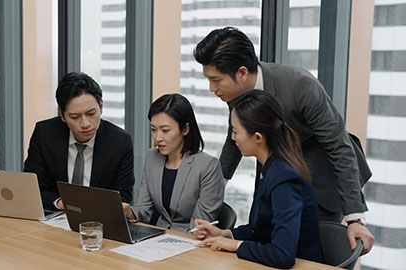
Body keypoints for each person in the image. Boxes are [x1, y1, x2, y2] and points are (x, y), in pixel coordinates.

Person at [193, 27, 374, 254]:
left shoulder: (300, 85)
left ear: (241, 73)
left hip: (324, 175)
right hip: (277, 171)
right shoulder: (234, 93)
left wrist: (355, 218)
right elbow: (233, 139)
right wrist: (216, 186)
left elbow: (338, 145)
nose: (212, 88)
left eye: (215, 80)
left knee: (307, 251)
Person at [195, 90, 323, 268]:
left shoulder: (285, 179)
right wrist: (225, 234)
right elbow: (260, 229)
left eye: (235, 131)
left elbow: (283, 255)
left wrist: (236, 245)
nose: (232, 138)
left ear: (257, 138)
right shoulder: (269, 167)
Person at [24, 72, 134, 210]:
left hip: (98, 221)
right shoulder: (45, 134)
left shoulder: (120, 142)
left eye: (91, 113)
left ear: (101, 106)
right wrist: (60, 203)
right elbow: (32, 188)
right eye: (75, 117)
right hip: (54, 218)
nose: (85, 123)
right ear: (61, 115)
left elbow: (123, 197)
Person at [122, 94, 225, 232]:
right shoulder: (152, 157)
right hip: (156, 237)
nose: (158, 138)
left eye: (165, 130)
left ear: (185, 129)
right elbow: (144, 210)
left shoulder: (208, 166)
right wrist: (129, 212)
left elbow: (200, 225)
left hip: (190, 242)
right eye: (153, 129)